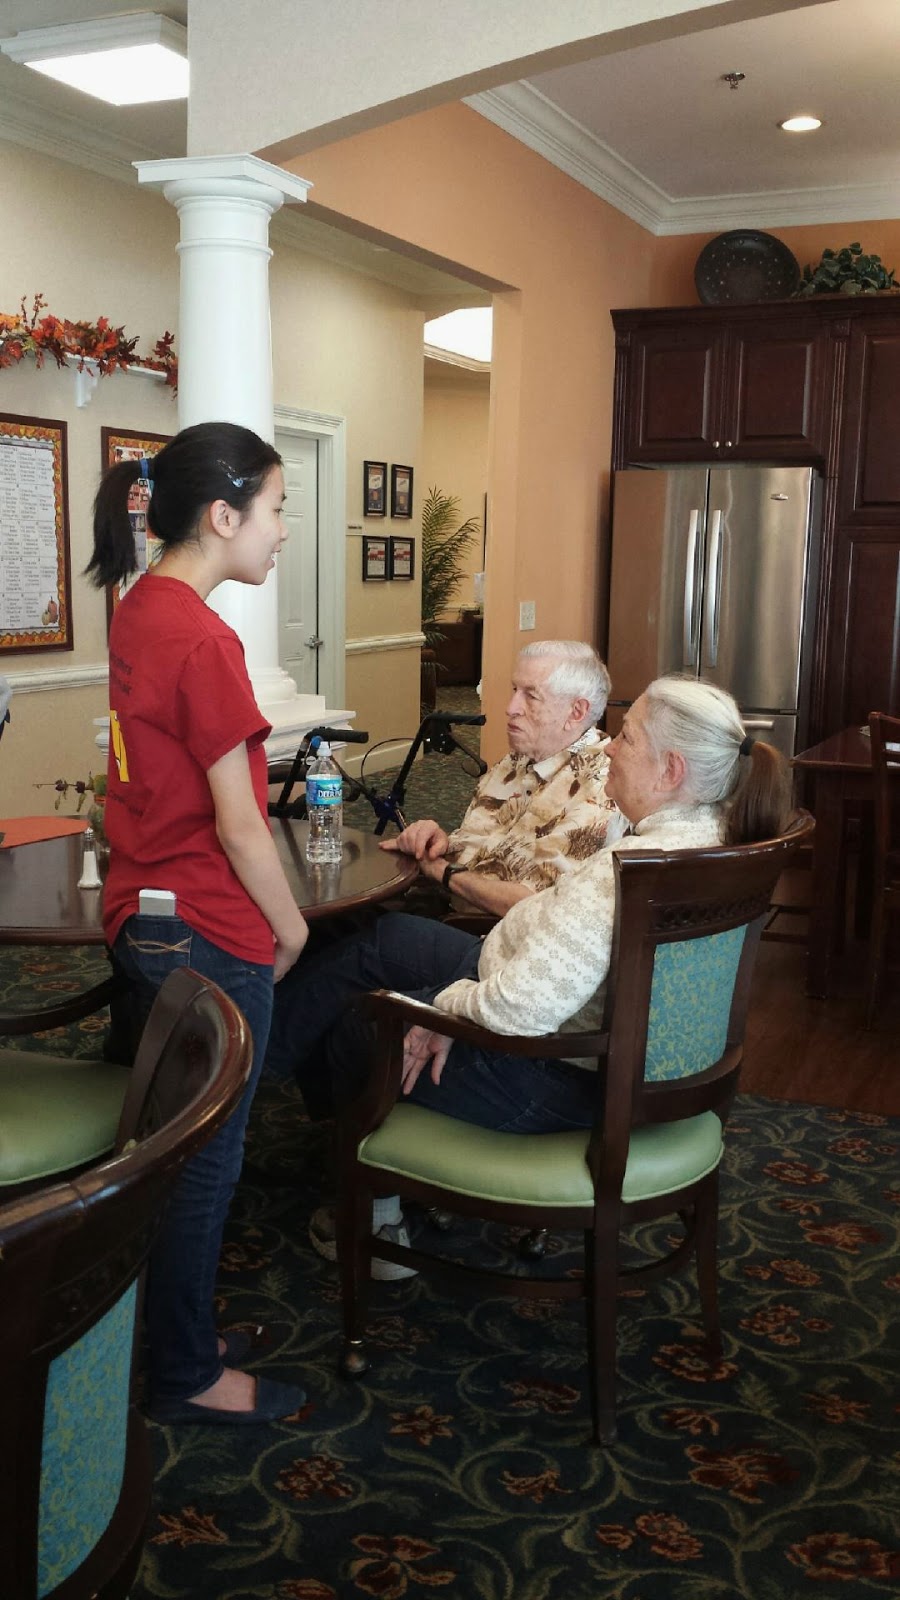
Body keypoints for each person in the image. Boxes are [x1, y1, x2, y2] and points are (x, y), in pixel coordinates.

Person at [286, 675, 792, 1269]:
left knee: (360, 1026)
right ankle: (294, 1088)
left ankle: (377, 1218)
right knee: (383, 940)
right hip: (591, 1036)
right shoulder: (717, 839)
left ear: (670, 770)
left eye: (627, 738)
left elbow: (520, 1009)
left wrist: (444, 1008)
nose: (609, 747)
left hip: (558, 1074)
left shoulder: (632, 874)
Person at [87, 421, 309, 1425]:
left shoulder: (141, 607)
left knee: (173, 1142)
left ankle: (176, 1334)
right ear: (223, 516)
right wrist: (290, 929)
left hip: (144, 914)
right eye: (275, 509)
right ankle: (182, 1374)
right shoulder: (206, 639)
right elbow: (240, 824)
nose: (282, 530)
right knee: (207, 1157)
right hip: (211, 924)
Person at [380, 640, 624, 917]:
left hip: (487, 931)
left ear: (576, 712)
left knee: (365, 936)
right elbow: (482, 845)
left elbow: (535, 904)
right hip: (444, 901)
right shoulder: (518, 759)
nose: (511, 707)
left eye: (531, 696)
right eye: (515, 690)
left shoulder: (600, 788)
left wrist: (440, 870)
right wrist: (440, 843)